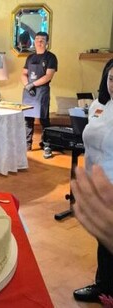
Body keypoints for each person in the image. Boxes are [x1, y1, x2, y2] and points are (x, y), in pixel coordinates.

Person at [72, 62, 113, 303]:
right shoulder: (99, 105)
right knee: (103, 239)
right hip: (97, 181)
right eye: (111, 79)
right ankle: (104, 286)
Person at [20, 31, 57, 154]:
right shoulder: (30, 57)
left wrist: (33, 84)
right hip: (28, 91)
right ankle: (27, 144)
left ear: (47, 43)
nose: (39, 42)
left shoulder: (51, 57)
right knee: (27, 119)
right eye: (37, 40)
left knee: (44, 119)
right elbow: (24, 73)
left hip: (42, 91)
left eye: (42, 40)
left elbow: (48, 76)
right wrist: (27, 85)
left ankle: (46, 144)